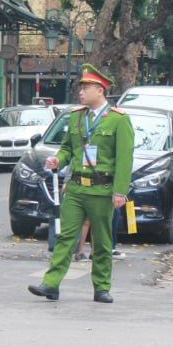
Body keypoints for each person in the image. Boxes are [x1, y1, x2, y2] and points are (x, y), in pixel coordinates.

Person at [29, 63, 134, 303]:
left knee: (103, 241)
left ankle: (101, 287)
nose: (81, 92)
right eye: (81, 87)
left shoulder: (119, 120)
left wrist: (120, 191)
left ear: (100, 89)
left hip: (102, 190)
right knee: (66, 238)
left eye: (86, 87)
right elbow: (68, 147)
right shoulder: (76, 116)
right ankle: (51, 284)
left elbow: (125, 159)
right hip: (75, 188)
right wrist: (58, 160)